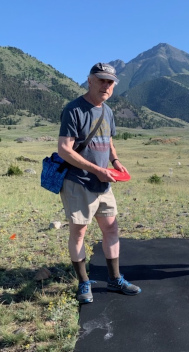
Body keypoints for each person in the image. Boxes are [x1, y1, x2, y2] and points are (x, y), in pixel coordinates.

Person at [58, 62, 141, 303]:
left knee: (112, 229)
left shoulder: (107, 111)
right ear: (90, 80)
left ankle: (114, 279)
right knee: (79, 233)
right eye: (101, 80)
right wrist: (96, 170)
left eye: (110, 82)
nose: (106, 85)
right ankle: (84, 283)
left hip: (104, 182)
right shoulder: (74, 109)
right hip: (78, 182)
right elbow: (64, 149)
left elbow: (109, 140)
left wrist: (115, 161)